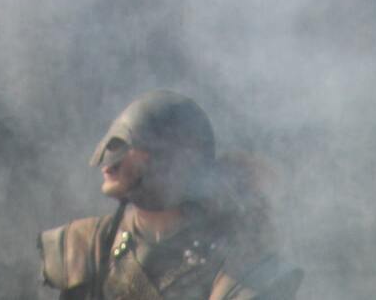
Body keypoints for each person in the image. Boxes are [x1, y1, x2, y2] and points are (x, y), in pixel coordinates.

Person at [39, 90, 302, 300]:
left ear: (168, 161)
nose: (109, 162)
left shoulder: (240, 267)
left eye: (130, 146)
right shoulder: (89, 244)